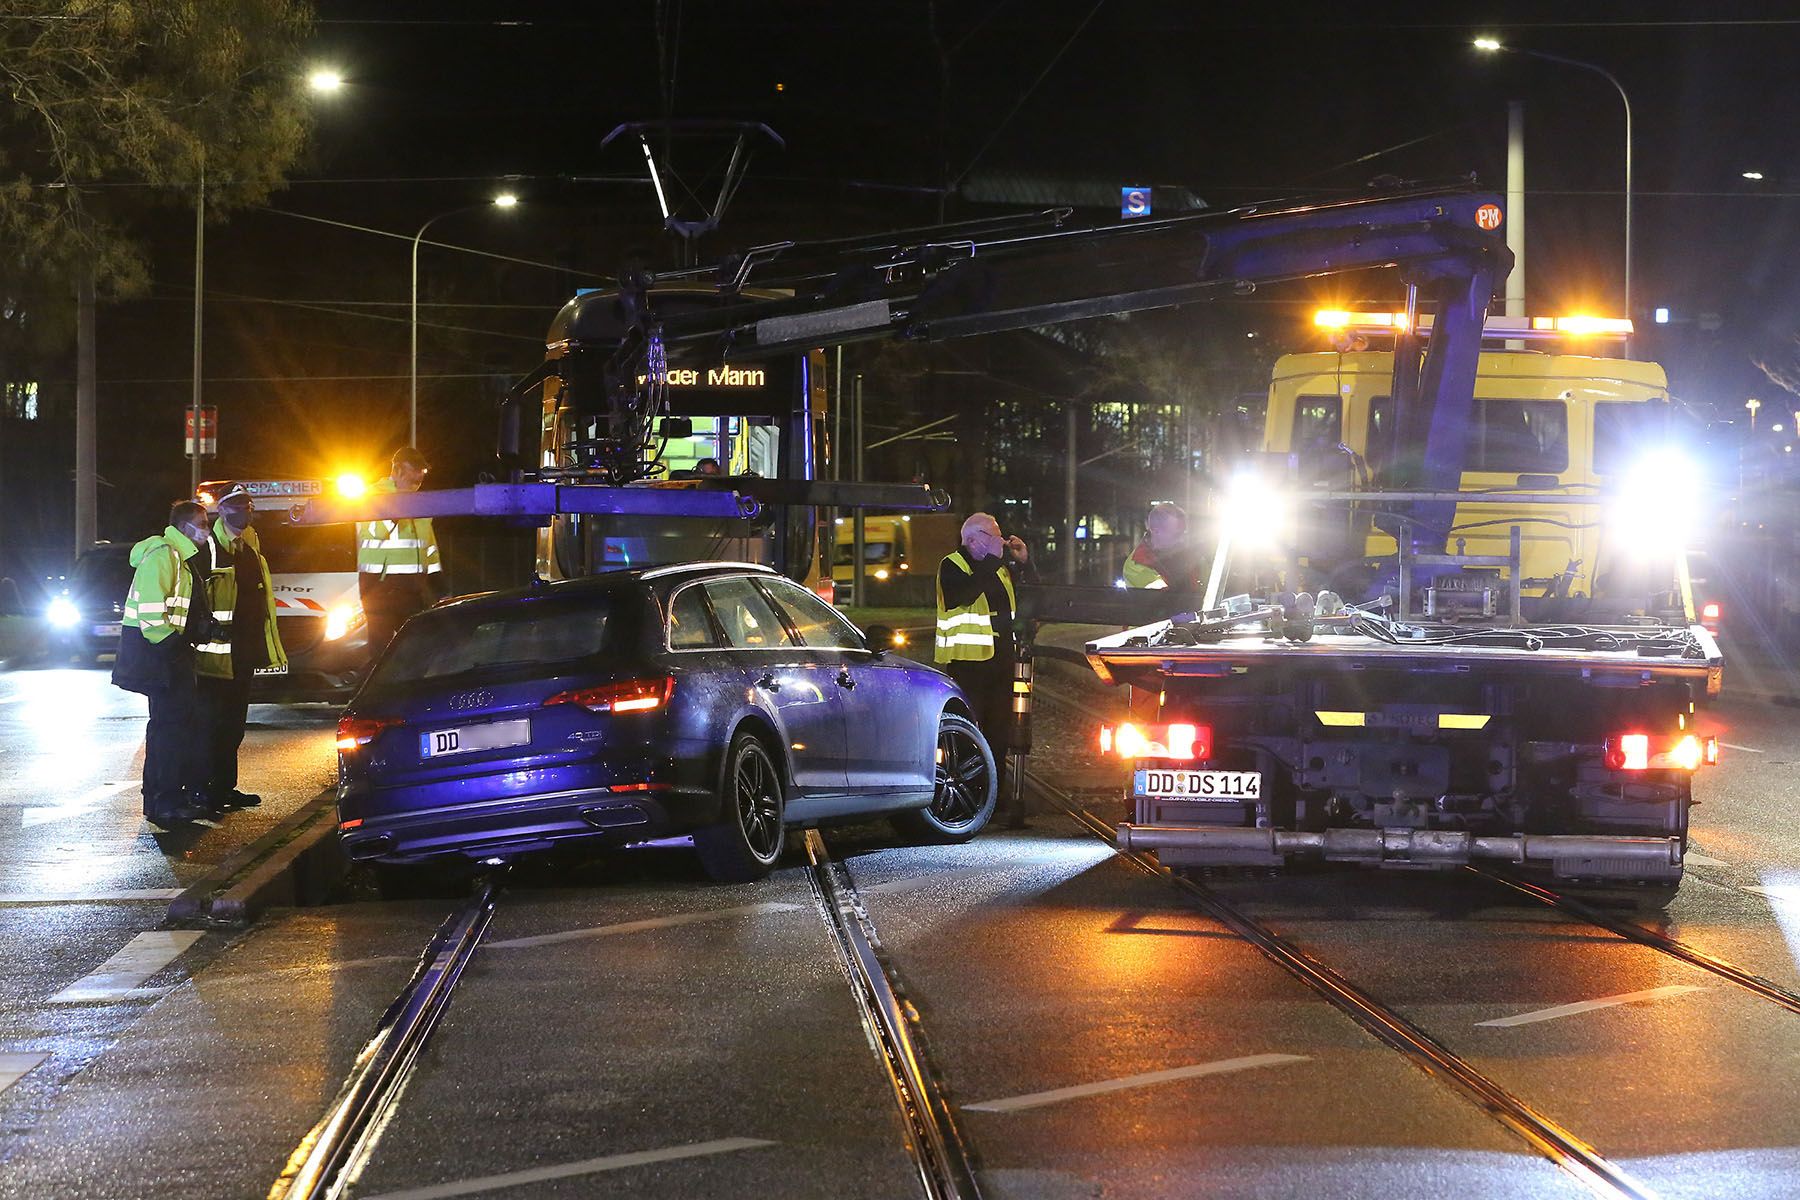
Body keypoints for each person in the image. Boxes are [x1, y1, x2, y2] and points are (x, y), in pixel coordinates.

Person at [111, 501, 217, 826]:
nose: (207, 531)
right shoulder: (164, 556)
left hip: (166, 657)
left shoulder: (178, 558)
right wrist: (176, 648)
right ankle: (165, 803)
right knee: (169, 731)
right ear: (186, 527)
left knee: (169, 730)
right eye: (202, 524)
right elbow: (152, 618)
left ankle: (165, 800)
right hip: (162, 659)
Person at [935, 512, 1034, 827]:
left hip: (1001, 661)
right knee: (970, 736)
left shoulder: (1001, 568)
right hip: (970, 666)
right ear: (974, 539)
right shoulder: (953, 565)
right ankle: (967, 799)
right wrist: (994, 561)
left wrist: (1024, 563)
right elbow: (959, 597)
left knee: (999, 732)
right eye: (995, 536)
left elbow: (1030, 598)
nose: (1002, 542)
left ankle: (997, 798)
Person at [195, 486, 287, 814]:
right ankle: (204, 790)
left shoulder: (249, 545)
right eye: (236, 505)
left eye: (248, 504)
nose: (245, 510)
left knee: (233, 725)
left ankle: (223, 788)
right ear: (221, 510)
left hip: (242, 654)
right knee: (212, 725)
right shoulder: (209, 547)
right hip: (213, 656)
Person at [358, 447, 445, 658]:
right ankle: (381, 690)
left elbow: (430, 548)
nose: (417, 478)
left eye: (421, 474)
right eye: (413, 472)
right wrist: (398, 507)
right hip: (380, 588)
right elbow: (375, 532)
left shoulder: (417, 501)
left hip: (413, 588)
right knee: (382, 653)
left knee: (419, 649)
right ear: (396, 470)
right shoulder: (373, 495)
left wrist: (440, 586)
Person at [1123, 502, 1202, 591]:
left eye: (1183, 533)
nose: (1182, 539)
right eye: (1176, 535)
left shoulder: (1188, 554)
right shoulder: (1136, 565)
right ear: (1156, 531)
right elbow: (1167, 599)